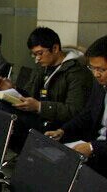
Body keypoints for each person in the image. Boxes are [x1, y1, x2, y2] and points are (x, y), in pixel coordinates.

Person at [0, 27, 93, 150]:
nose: (37, 59)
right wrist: (13, 88)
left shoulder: (76, 72)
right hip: (37, 115)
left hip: (56, 125)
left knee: (0, 110)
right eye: (34, 54)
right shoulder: (43, 66)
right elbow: (30, 94)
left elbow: (74, 110)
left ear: (55, 48)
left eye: (40, 53)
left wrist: (39, 106)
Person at [46, 35, 107, 175]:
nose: (96, 74)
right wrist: (63, 131)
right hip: (95, 146)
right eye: (92, 68)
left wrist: (92, 147)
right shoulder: (100, 85)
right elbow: (87, 114)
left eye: (101, 70)